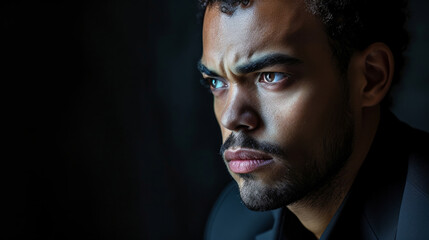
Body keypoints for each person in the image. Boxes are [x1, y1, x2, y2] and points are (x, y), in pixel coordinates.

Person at [197, 0, 429, 239]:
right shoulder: (232, 222)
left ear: (370, 77)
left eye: (271, 76)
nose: (230, 118)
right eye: (216, 82)